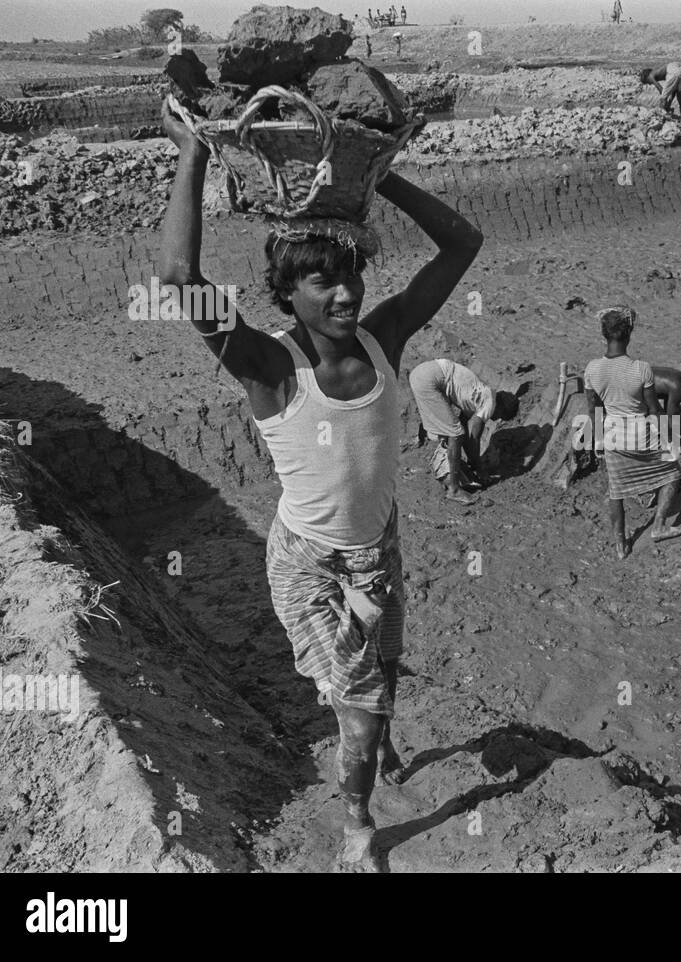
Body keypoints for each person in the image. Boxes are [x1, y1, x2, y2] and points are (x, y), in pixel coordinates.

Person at [157, 98, 483, 872]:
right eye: (318, 281)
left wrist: (379, 178)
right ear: (286, 293)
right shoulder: (269, 366)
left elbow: (463, 241)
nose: (342, 295)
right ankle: (359, 826)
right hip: (309, 565)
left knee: (385, 676)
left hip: (379, 548)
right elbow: (177, 275)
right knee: (362, 712)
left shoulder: (385, 338)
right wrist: (195, 150)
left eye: (349, 276)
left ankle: (372, 724)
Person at [583, 306, 681, 559]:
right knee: (672, 473)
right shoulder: (641, 368)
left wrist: (597, 442)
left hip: (613, 437)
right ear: (629, 336)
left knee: (616, 491)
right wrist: (671, 439)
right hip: (642, 435)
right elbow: (653, 410)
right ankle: (659, 525)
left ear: (604, 336)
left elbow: (594, 410)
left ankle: (620, 544)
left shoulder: (592, 369)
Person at [409, 358, 519, 505]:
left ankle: (450, 474)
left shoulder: (479, 393)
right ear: (501, 409)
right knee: (455, 434)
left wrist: (473, 466)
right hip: (431, 379)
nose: (495, 419)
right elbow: (474, 436)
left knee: (455, 431)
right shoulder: (489, 403)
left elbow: (467, 436)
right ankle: (454, 490)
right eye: (499, 417)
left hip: (423, 372)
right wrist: (479, 468)